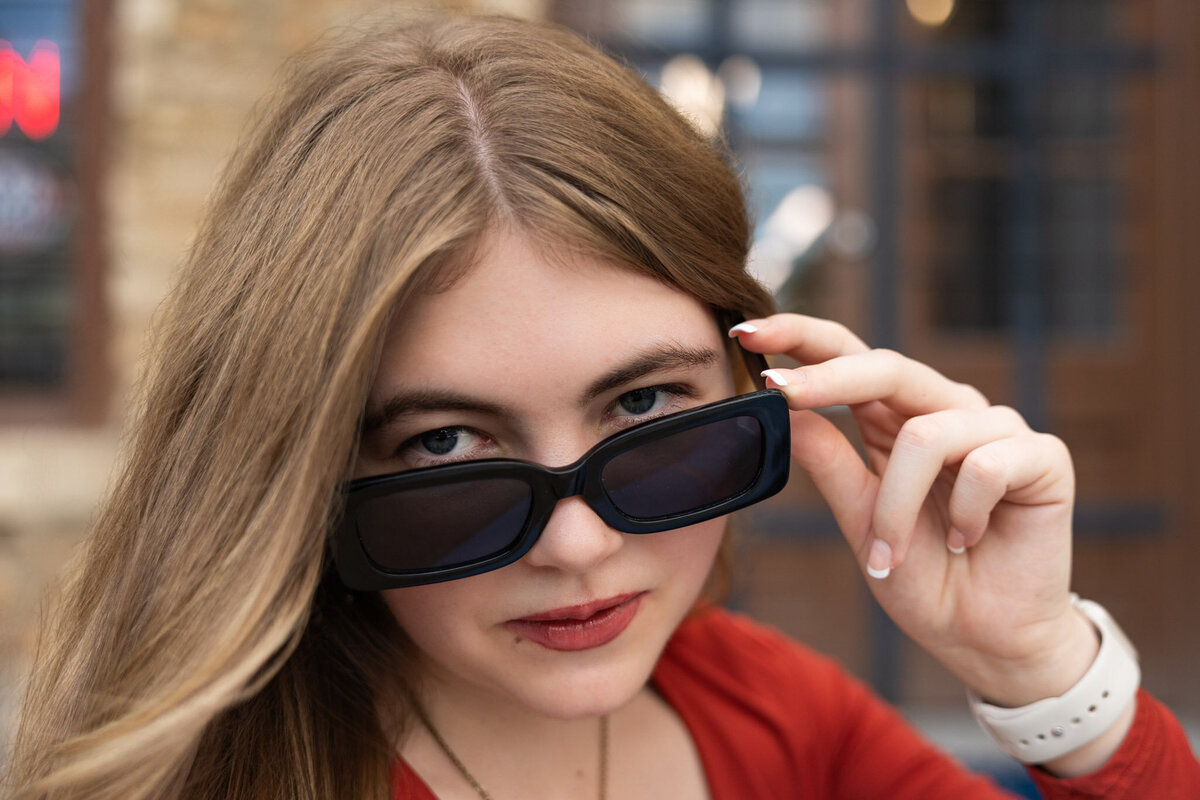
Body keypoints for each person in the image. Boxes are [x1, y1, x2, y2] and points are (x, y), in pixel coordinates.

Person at [5, 13, 1198, 800]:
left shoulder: (770, 718)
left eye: (642, 406)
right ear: (303, 474)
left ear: (754, 383)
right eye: (447, 441)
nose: (581, 545)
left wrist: (1042, 670)